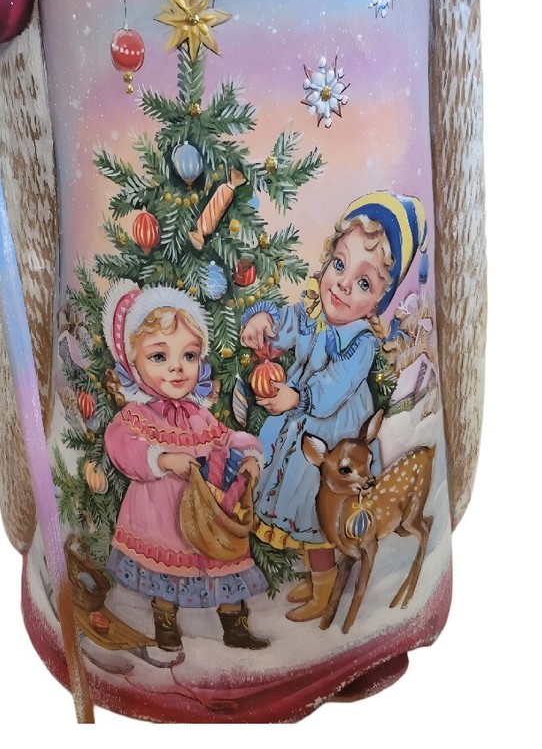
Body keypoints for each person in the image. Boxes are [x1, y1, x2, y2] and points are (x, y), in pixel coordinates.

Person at [240, 191, 429, 623]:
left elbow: (336, 384)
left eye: (364, 283)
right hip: (302, 429)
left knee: (318, 514)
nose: (343, 284)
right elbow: (288, 327)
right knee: (301, 510)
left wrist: (298, 398)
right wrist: (264, 323)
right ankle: (318, 581)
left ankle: (324, 591)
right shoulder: (314, 316)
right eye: (340, 265)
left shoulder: (362, 343)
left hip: (333, 440)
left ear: (379, 300)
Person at [102, 280, 269, 652]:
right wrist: (161, 459)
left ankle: (235, 623)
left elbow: (227, 437)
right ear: (133, 362)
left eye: (189, 356)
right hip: (159, 516)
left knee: (222, 561)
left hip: (206, 512)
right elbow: (119, 444)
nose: (177, 368)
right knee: (166, 572)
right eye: (159, 357)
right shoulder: (138, 416)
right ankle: (165, 620)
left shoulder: (198, 415)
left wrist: (250, 458)